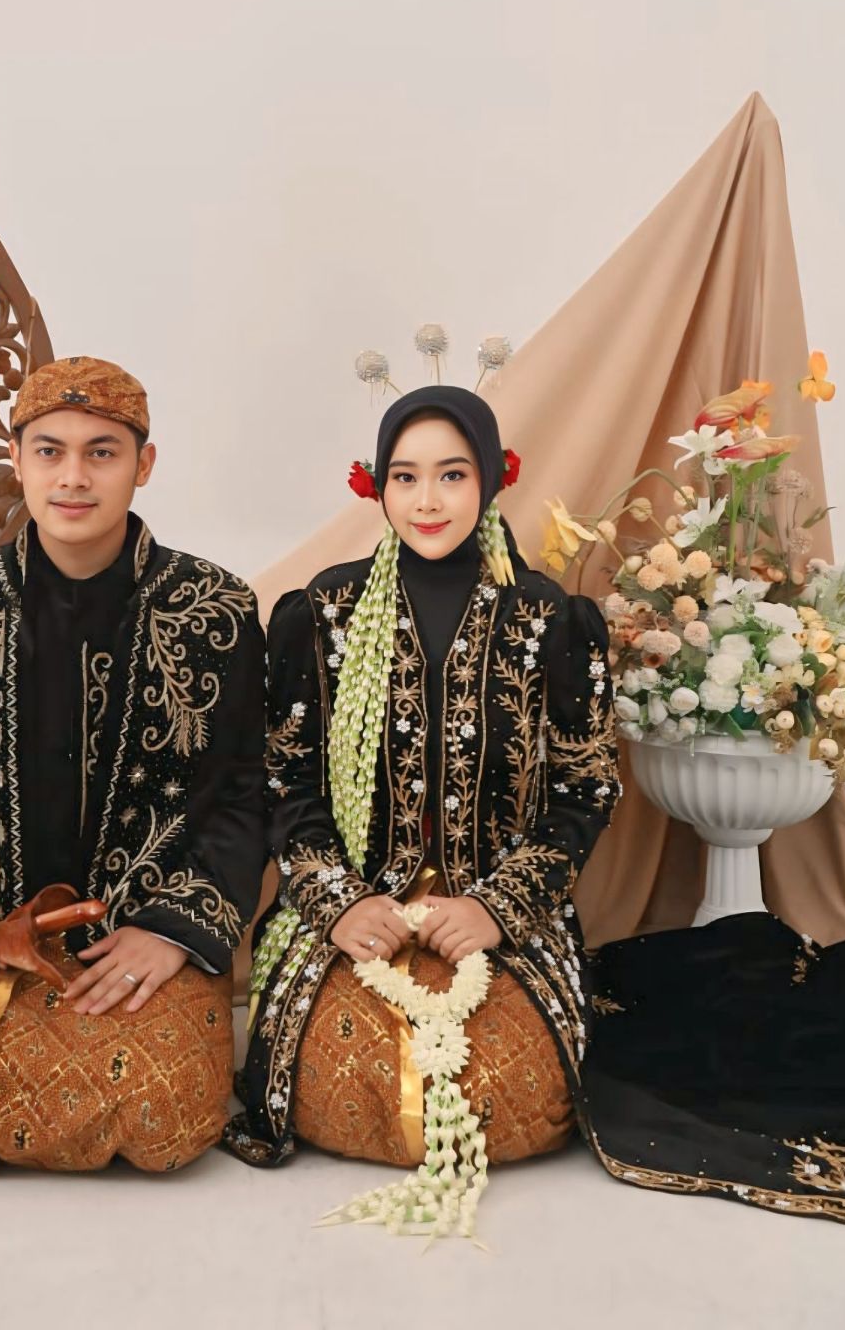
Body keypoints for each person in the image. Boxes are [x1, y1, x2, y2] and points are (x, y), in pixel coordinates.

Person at [0, 355, 266, 1173]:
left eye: (101, 453)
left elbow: (249, 789)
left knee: (165, 1113)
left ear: (144, 465)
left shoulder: (214, 609)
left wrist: (173, 931)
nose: (73, 477)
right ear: (16, 459)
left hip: (141, 942)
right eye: (49, 451)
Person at [225, 385, 618, 1177]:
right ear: (378, 484)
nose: (427, 501)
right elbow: (283, 778)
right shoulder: (325, 612)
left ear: (491, 480)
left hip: (502, 908)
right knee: (342, 1079)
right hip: (352, 905)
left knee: (507, 1088)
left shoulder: (548, 618)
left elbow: (586, 789)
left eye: (452, 475)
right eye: (404, 477)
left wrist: (495, 909)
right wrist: (340, 904)